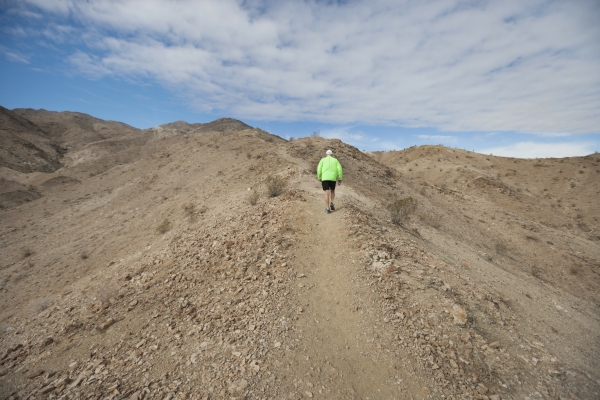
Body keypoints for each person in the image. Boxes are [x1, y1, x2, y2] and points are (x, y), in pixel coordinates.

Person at [317, 149, 343, 213]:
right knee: (332, 190)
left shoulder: (322, 160)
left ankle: (327, 208)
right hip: (333, 178)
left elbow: (319, 169)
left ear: (326, 154)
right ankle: (332, 202)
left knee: (326, 192)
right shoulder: (335, 160)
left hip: (325, 178)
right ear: (331, 154)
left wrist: (319, 177)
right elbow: (339, 169)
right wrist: (340, 178)